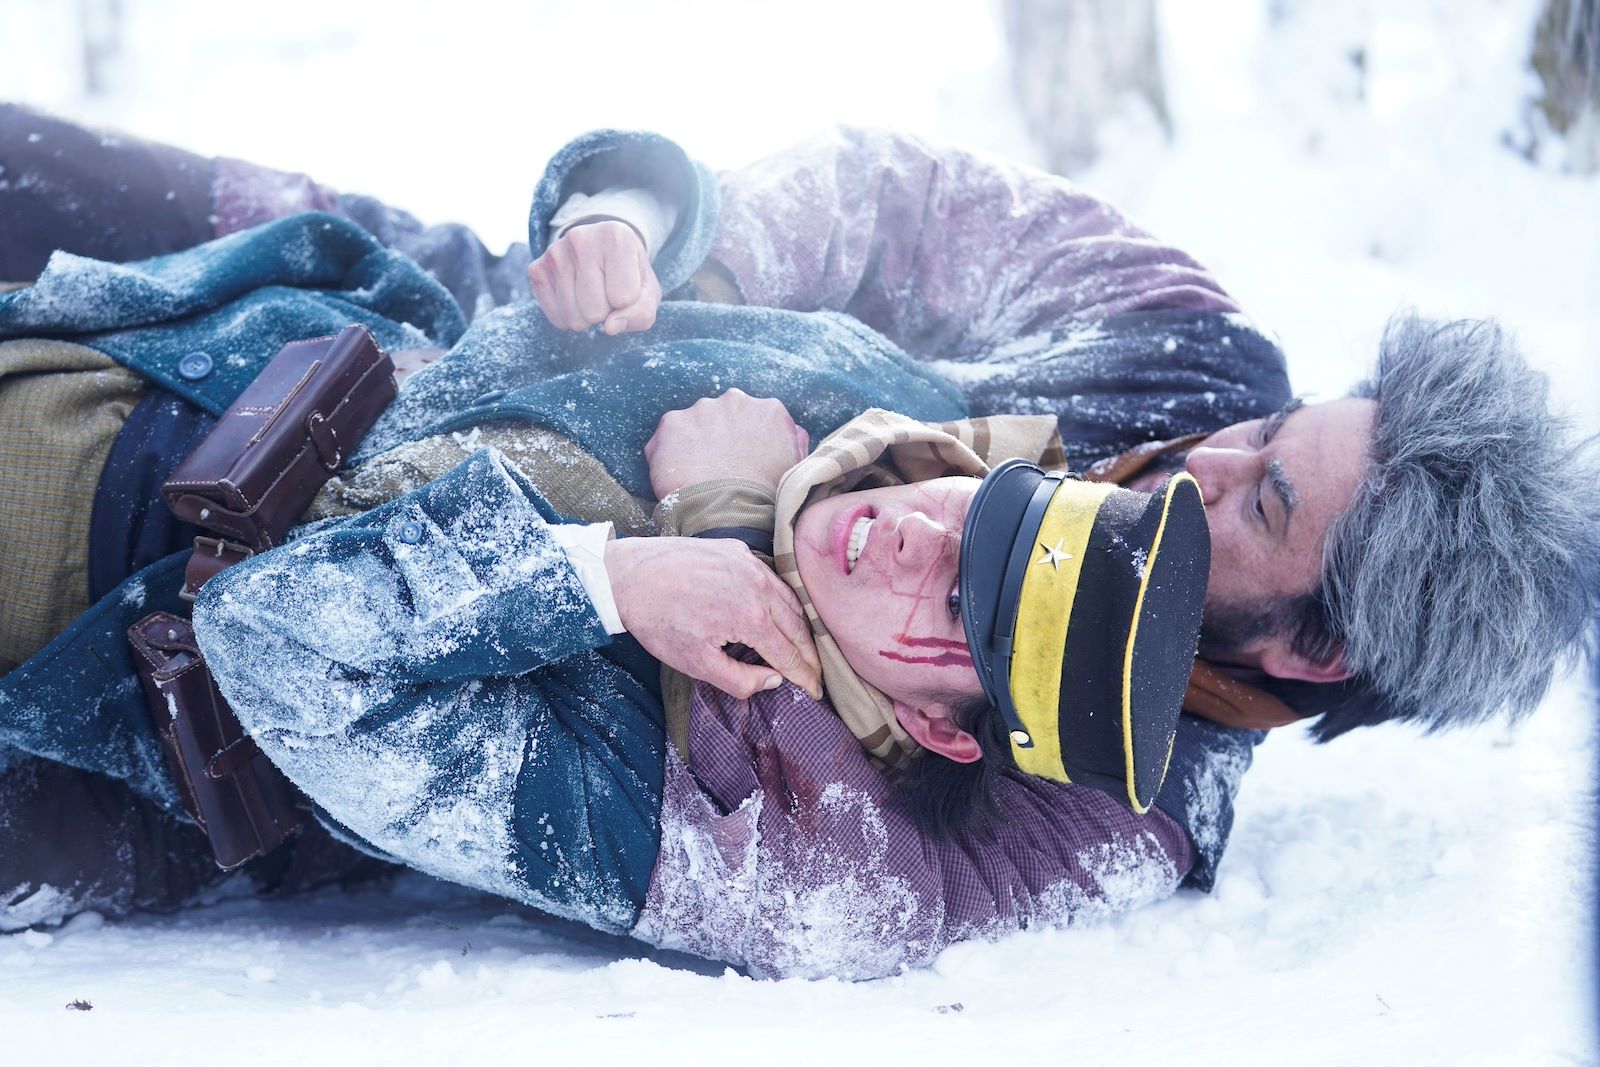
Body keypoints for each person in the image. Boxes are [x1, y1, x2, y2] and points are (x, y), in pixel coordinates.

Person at [1, 108, 1594, 974]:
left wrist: (708, 530)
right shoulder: (1190, 361)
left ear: (1315, 650)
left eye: (1265, 500)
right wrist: (651, 247)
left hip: (227, 671)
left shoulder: (1117, 805)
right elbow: (895, 202)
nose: (1206, 459)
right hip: (409, 331)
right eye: (1278, 425)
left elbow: (845, 894)